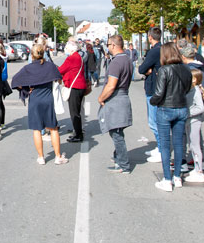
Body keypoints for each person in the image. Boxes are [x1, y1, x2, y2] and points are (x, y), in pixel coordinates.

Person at [11, 44, 67, 165]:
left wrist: (26, 89)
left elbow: (15, 81)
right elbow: (59, 78)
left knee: (37, 129)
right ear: (44, 53)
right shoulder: (50, 66)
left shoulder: (28, 68)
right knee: (53, 128)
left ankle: (41, 157)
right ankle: (58, 156)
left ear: (32, 55)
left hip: (35, 99)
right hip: (48, 98)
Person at [148, 42, 192, 191]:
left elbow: (159, 93)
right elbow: (187, 89)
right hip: (181, 107)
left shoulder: (164, 70)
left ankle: (167, 179)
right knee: (179, 144)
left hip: (165, 108)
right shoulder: (186, 69)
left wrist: (153, 101)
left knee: (166, 145)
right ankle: (177, 176)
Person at [95, 34, 133, 173]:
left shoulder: (116, 62)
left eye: (108, 45)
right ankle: (119, 157)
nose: (107, 48)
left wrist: (101, 98)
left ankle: (123, 164)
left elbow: (111, 86)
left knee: (116, 133)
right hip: (123, 96)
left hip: (116, 98)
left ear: (113, 45)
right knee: (118, 131)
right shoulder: (127, 59)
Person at [137, 27, 163, 159]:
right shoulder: (164, 49)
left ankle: (161, 150)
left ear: (150, 37)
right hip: (161, 87)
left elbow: (142, 69)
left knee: (154, 122)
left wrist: (147, 69)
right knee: (159, 120)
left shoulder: (154, 51)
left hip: (153, 88)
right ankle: (160, 147)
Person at [59, 39, 88, 143]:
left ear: (71, 49)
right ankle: (77, 132)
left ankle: (78, 135)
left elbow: (61, 70)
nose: (65, 50)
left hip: (75, 87)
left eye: (66, 48)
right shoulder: (78, 57)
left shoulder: (71, 58)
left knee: (74, 112)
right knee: (77, 111)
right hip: (79, 86)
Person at [185, 69, 204, 183]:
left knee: (195, 146)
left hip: (194, 121)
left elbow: (200, 108)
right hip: (190, 120)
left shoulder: (196, 91)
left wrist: (188, 113)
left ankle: (199, 171)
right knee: (192, 145)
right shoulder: (191, 89)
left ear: (194, 79)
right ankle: (196, 168)